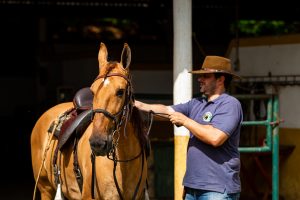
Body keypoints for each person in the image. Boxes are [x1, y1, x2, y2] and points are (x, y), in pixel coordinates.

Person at [134, 56, 243, 200]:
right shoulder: (196, 103)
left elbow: (215, 138)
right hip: (192, 187)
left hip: (217, 188)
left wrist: (185, 120)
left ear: (221, 79)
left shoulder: (230, 104)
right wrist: (137, 105)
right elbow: (166, 111)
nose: (200, 79)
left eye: (206, 76)